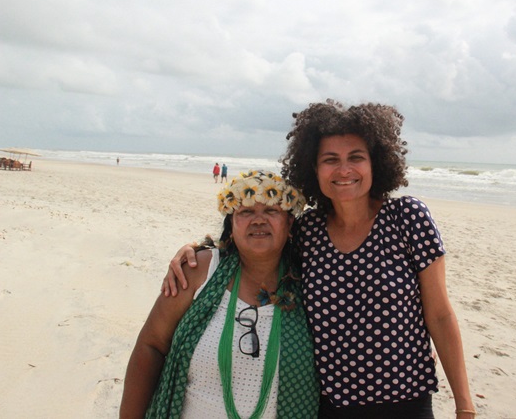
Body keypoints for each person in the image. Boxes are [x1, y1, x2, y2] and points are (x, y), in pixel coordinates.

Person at [163, 100, 475, 418]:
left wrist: (464, 404)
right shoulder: (309, 231)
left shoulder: (407, 218)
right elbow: (254, 247)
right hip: (330, 406)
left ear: (375, 163)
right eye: (330, 160)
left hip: (407, 401)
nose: (344, 170)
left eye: (356, 157)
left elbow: (440, 315)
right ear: (314, 168)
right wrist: (195, 249)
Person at [120, 170, 319, 418]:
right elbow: (151, 346)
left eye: (271, 210)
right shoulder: (199, 270)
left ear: (289, 224)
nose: (258, 220)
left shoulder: (311, 282)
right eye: (246, 211)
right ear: (231, 224)